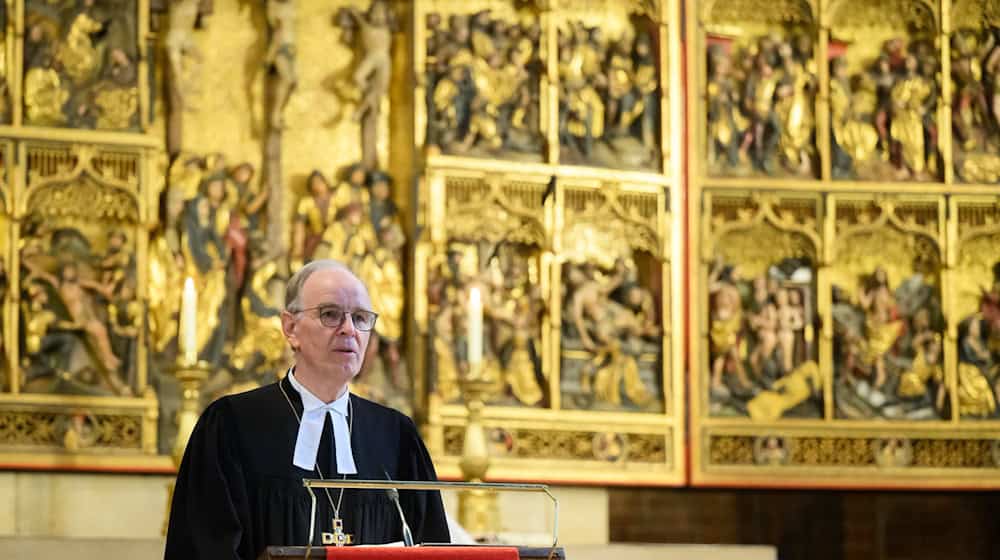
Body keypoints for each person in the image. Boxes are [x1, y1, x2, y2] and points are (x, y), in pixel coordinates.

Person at [165, 260, 450, 558]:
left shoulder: (396, 436)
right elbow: (204, 548)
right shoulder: (231, 425)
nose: (349, 330)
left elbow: (432, 548)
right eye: (330, 315)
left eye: (361, 318)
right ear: (290, 327)